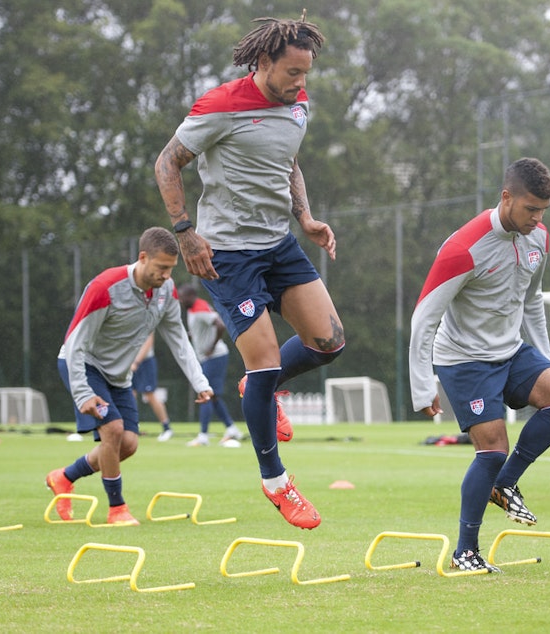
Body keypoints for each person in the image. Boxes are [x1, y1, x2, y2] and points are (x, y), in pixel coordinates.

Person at [154, 14, 344, 530]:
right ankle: (276, 482)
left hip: (278, 244)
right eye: (292, 73)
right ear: (263, 63)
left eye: (307, 74)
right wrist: (185, 232)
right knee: (261, 365)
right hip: (227, 255)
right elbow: (166, 164)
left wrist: (304, 216)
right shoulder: (220, 106)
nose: (301, 84)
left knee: (329, 342)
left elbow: (290, 161)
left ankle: (257, 390)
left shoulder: (298, 105)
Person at [409, 158, 550, 573]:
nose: (537, 218)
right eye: (530, 209)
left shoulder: (538, 238)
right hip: (464, 359)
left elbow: (532, 300)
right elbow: (424, 317)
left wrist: (548, 358)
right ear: (506, 198)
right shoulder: (462, 248)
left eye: (543, 211)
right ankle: (464, 551)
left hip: (511, 350)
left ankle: (504, 484)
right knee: (491, 450)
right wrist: (422, 386)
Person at [47, 227, 214, 525]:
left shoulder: (167, 291)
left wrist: (200, 382)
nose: (165, 275)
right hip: (85, 366)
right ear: (142, 257)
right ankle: (117, 509)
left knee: (129, 444)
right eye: (161, 267)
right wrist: (83, 392)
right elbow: (75, 342)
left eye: (170, 269)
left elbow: (179, 341)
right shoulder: (105, 287)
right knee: (112, 431)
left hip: (119, 377)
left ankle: (64, 477)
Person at [178, 283, 244, 447]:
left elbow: (220, 324)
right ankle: (231, 428)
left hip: (215, 357)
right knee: (213, 397)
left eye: (182, 297)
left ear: (190, 296)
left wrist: (211, 347)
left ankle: (203, 436)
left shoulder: (199, 308)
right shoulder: (193, 309)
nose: (180, 300)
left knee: (205, 394)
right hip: (209, 358)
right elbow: (202, 328)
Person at [130, 332, 174, 441]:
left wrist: (136, 362)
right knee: (130, 394)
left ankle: (167, 428)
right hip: (130, 362)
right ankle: (132, 428)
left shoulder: (149, 316)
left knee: (150, 395)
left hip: (145, 362)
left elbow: (148, 342)